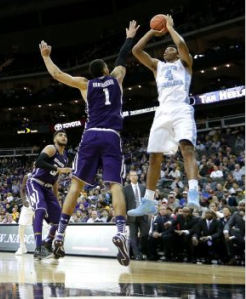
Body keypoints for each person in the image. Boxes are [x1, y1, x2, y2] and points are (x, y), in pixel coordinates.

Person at [39, 20, 139, 266]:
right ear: (106, 70)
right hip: (111, 135)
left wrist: (46, 56)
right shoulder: (116, 78)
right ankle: (119, 232)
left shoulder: (85, 84)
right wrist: (128, 37)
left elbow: (57, 75)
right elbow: (123, 58)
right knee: (115, 184)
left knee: (76, 185)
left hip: (91, 134)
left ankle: (60, 233)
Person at [128, 15, 200, 217]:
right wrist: (152, 31)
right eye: (165, 48)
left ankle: (193, 191)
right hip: (162, 111)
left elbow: (182, 44)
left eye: (170, 48)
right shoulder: (157, 66)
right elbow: (136, 51)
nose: (166, 49)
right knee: (154, 157)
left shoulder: (185, 64)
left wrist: (170, 28)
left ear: (177, 54)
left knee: (187, 148)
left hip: (181, 108)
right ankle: (148, 201)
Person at [27, 130, 71, 260]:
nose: (63, 136)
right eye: (60, 135)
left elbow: (55, 180)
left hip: (48, 188)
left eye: (65, 135)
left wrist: (56, 200)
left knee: (60, 221)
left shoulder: (65, 158)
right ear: (54, 139)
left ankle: (48, 242)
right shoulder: (51, 148)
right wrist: (58, 169)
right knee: (40, 210)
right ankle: (38, 248)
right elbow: (39, 163)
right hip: (35, 183)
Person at [123, 170, 150, 260]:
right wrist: (125, 213)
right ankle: (137, 255)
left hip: (143, 214)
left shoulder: (143, 187)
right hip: (132, 215)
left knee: (145, 234)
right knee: (133, 236)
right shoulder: (125, 188)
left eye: (135, 175)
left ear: (137, 177)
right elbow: (125, 202)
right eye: (132, 175)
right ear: (129, 177)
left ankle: (141, 250)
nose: (134, 177)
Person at [15, 168, 35, 255]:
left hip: (41, 203)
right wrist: (24, 201)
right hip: (29, 203)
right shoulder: (28, 176)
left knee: (48, 225)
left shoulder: (45, 174)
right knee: (21, 225)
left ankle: (53, 246)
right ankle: (22, 246)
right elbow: (22, 189)